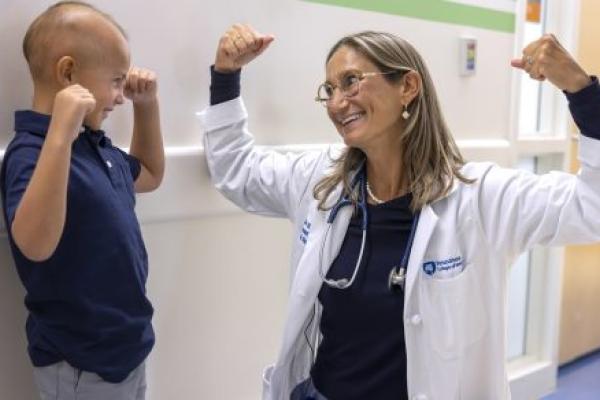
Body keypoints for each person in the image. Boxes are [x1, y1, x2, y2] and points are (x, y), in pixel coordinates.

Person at [199, 23, 600, 400]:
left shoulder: (480, 199)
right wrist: (225, 74)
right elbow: (238, 171)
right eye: (330, 89)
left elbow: (592, 208)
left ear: (407, 86)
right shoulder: (320, 181)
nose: (338, 102)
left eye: (351, 81)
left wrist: (582, 92)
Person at [0, 2, 164, 399]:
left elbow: (150, 174)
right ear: (68, 73)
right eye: (115, 81)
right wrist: (61, 131)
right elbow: (35, 245)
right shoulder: (31, 152)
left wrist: (148, 106)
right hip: (79, 365)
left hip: (127, 349)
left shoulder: (96, 146)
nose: (120, 96)